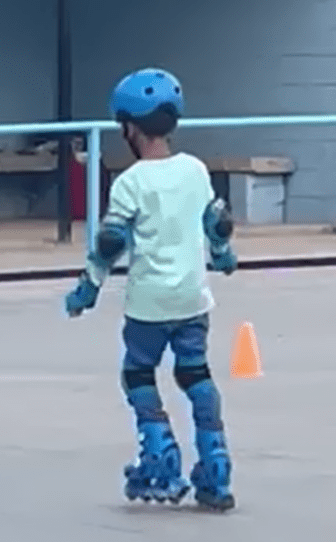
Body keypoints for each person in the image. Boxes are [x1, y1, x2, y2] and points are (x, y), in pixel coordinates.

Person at [64, 68, 238, 512]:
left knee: (139, 374)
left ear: (128, 127)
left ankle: (160, 454)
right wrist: (222, 256)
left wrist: (87, 289)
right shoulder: (196, 171)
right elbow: (215, 224)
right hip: (193, 298)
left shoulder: (130, 183)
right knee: (195, 374)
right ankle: (215, 462)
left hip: (149, 304)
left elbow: (108, 245)